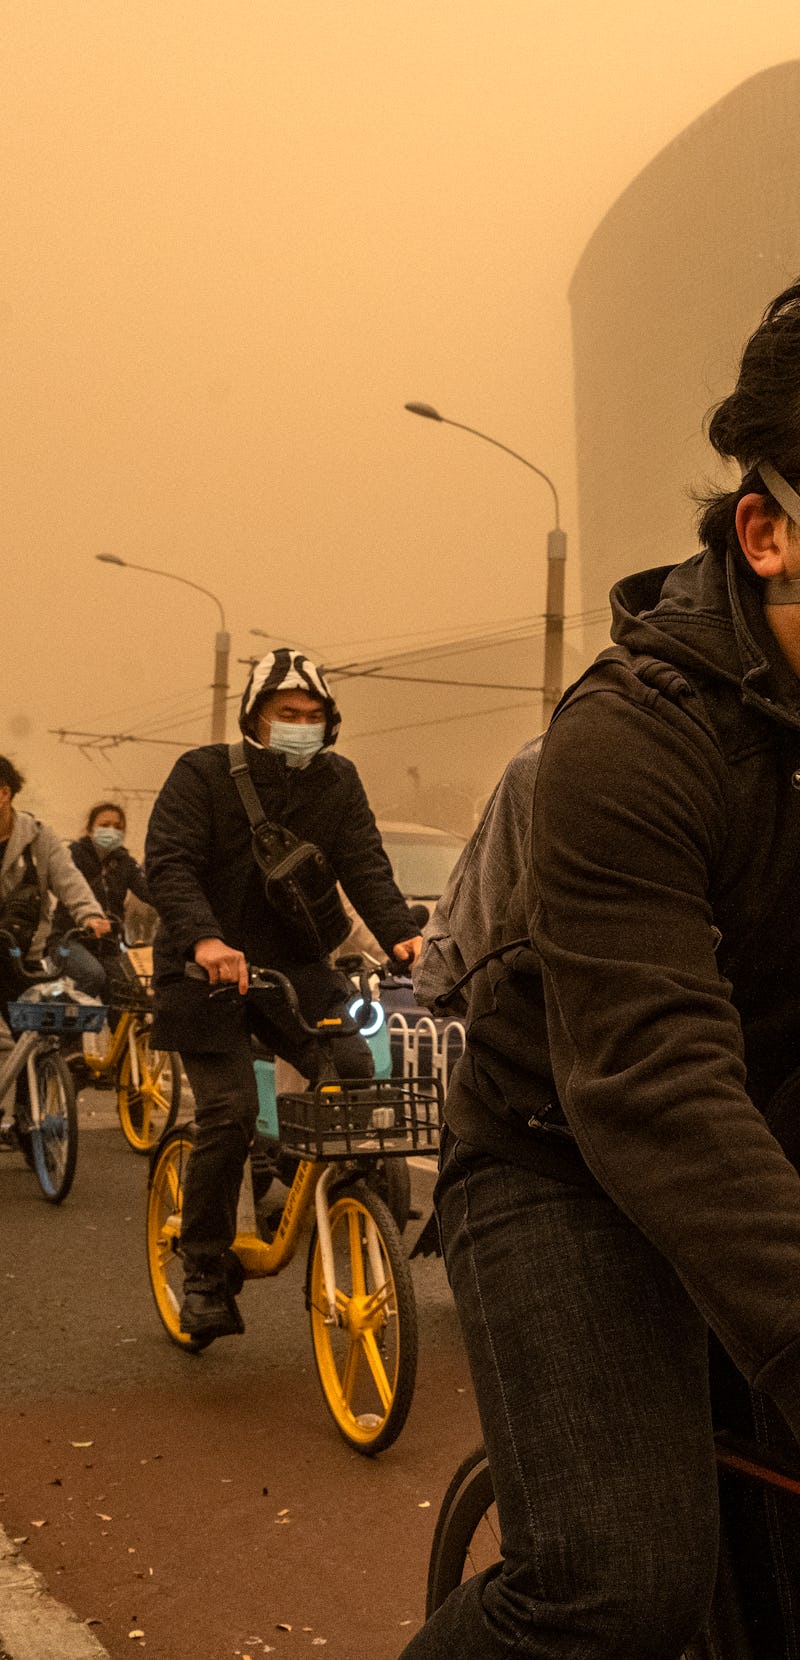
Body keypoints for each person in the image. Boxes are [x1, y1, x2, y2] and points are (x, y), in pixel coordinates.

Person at [401, 278, 800, 1660]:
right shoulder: (633, 736)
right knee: (620, 1585)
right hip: (563, 1153)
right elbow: (654, 1084)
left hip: (774, 1149)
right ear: (768, 533)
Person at [145, 647, 423, 1342]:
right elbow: (169, 863)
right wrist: (205, 940)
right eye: (287, 714)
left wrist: (403, 938)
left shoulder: (337, 780)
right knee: (232, 1110)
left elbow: (364, 864)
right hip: (204, 974)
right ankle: (206, 1269)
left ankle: (304, 1192)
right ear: (255, 716)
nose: (302, 725)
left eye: (314, 716)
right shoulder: (202, 774)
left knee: (354, 1077)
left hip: (293, 968)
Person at [0, 756, 110, 1008]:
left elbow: (68, 879)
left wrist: (90, 915)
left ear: (4, 793)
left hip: (25, 955)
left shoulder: (39, 837)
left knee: (33, 1036)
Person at [48, 801, 151, 997]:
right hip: (70, 939)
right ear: (89, 830)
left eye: (118, 827)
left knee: (129, 991)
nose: (111, 831)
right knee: (92, 975)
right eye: (105, 825)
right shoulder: (72, 857)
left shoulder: (125, 863)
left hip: (108, 945)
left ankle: (119, 1027)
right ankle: (60, 1020)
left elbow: (149, 893)